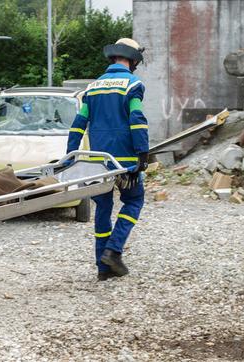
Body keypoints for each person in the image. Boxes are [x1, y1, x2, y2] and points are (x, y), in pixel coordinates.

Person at [66, 38, 149, 281]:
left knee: (103, 208)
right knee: (134, 202)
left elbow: (79, 124)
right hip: (125, 161)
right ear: (132, 60)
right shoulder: (133, 85)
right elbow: (136, 119)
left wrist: (70, 156)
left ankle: (102, 269)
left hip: (98, 162)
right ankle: (113, 250)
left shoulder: (93, 88)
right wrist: (142, 154)